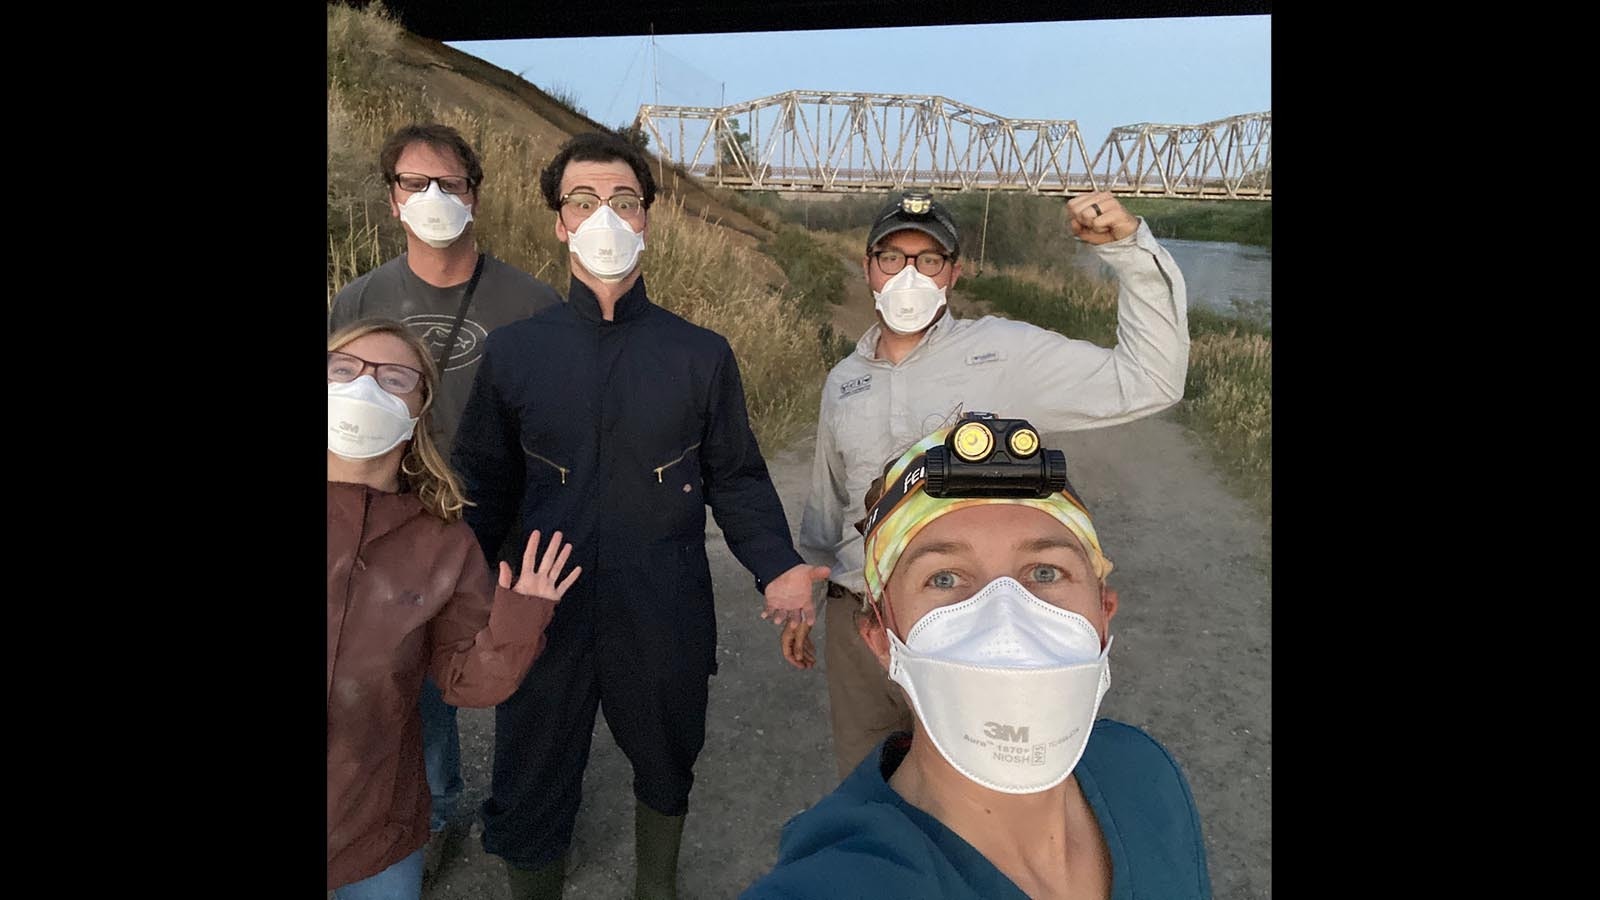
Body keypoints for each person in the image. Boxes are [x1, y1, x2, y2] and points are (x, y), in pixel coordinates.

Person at [450, 130, 831, 900]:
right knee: (532, 766)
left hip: (663, 602)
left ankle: (656, 887)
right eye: (584, 202)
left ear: (648, 219)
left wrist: (778, 564)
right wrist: (462, 600)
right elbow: (481, 486)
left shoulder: (700, 354)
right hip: (541, 604)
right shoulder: (517, 352)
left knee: (666, 755)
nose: (605, 218)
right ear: (559, 222)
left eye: (624, 201)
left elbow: (739, 478)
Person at [789, 190, 1191, 776]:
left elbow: (1151, 380)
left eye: (928, 261)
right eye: (892, 258)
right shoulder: (845, 381)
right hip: (862, 620)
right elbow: (829, 501)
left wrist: (1130, 252)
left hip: (973, 621)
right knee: (868, 784)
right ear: (868, 268)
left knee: (977, 787)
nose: (909, 275)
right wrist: (807, 594)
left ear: (953, 272)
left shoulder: (1004, 352)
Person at [747, 415, 1211, 899]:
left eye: (1046, 572)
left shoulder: (1144, 775)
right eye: (944, 578)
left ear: (1103, 614)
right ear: (881, 639)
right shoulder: (839, 882)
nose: (1005, 619)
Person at [328, 122, 563, 876]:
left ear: (475, 196)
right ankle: (413, 813)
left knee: (485, 663)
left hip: (490, 524)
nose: (433, 198)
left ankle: (473, 817)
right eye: (414, 184)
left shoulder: (529, 300)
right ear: (392, 200)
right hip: (384, 521)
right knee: (392, 685)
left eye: (449, 184)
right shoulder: (359, 300)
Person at [327, 318, 583, 899]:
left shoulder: (442, 543)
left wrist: (521, 620)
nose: (363, 389)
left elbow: (465, 683)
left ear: (419, 411)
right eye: (343, 371)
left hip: (377, 832)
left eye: (392, 378)